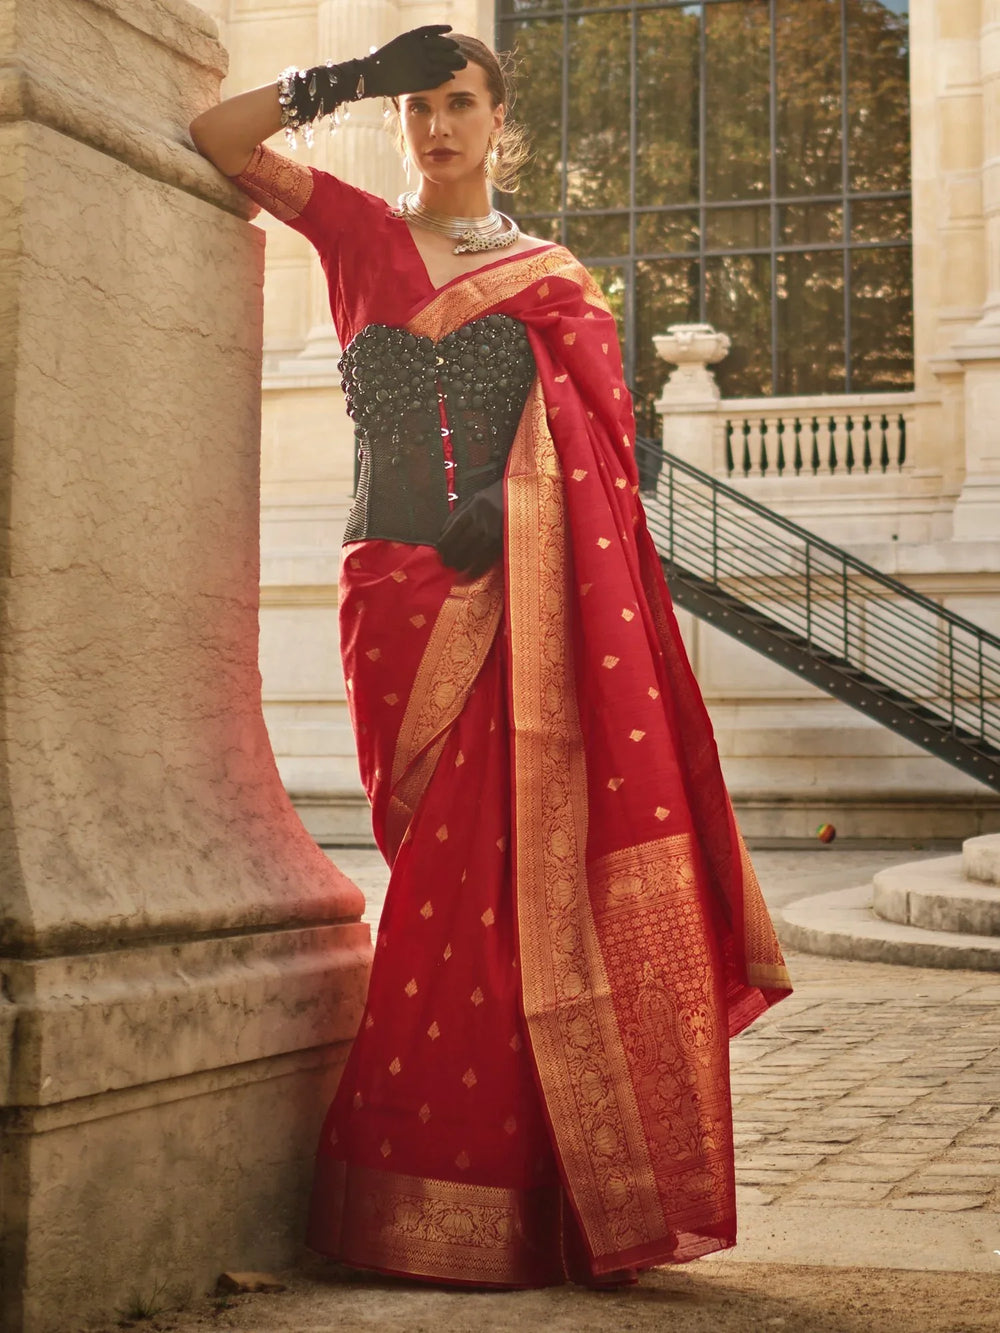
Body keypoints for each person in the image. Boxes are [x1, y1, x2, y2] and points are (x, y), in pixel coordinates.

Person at [190, 25, 793, 1290]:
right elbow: (219, 139)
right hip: (394, 598)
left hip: (510, 598)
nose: (436, 127)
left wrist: (514, 514)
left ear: (497, 118)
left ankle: (523, 1195)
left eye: (457, 103)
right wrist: (342, 80)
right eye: (416, 107)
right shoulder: (356, 233)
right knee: (433, 870)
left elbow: (605, 468)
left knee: (503, 892)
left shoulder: (552, 278)